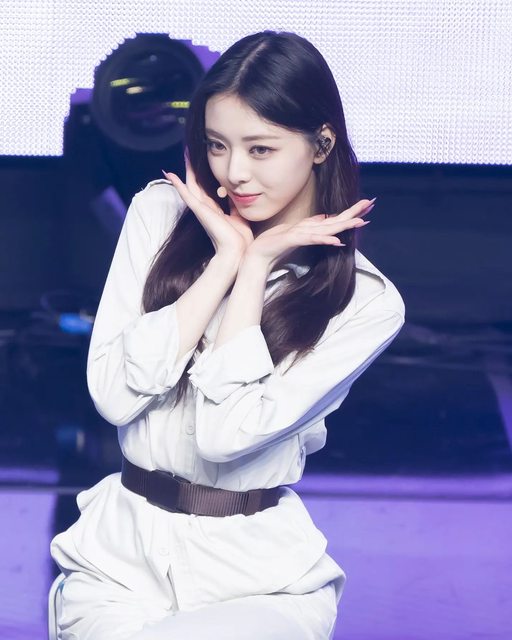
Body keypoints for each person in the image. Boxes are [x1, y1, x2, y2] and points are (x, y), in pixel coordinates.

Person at [50, 30, 405, 639]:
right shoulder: (160, 212)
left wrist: (257, 267)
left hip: (258, 580)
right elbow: (112, 396)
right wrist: (225, 263)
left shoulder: (365, 301)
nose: (234, 172)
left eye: (260, 149)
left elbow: (223, 435)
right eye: (217, 145)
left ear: (321, 144)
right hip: (118, 564)